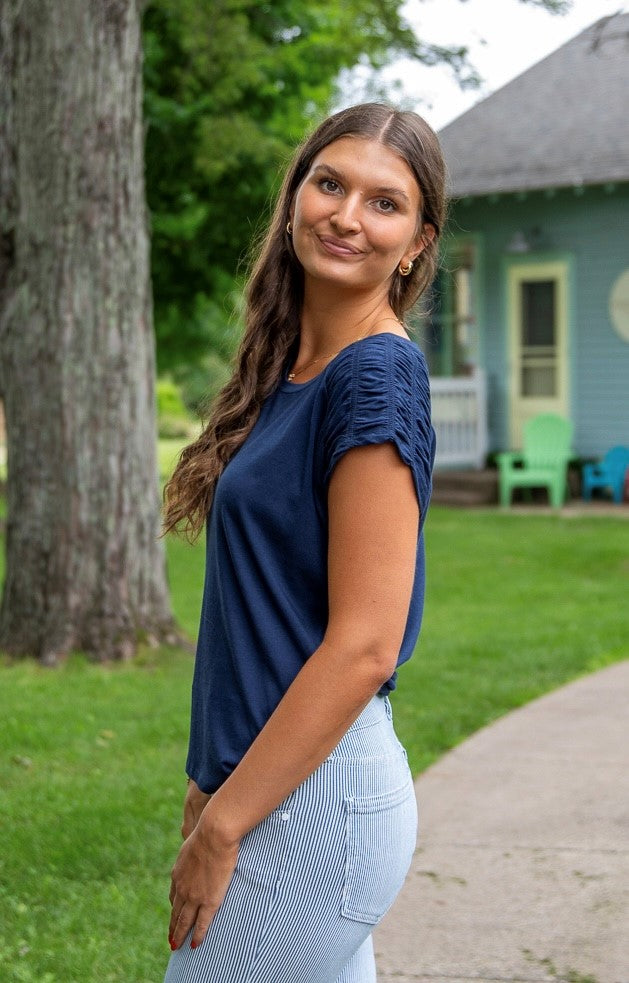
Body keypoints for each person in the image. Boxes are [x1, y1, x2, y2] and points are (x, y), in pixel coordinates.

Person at [161, 101, 446, 983]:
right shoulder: (295, 370)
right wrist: (212, 775)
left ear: (415, 245)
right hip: (282, 778)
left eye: (383, 202)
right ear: (294, 199)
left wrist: (225, 823)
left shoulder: (374, 376)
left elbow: (363, 644)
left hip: (311, 802)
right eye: (329, 183)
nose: (347, 215)